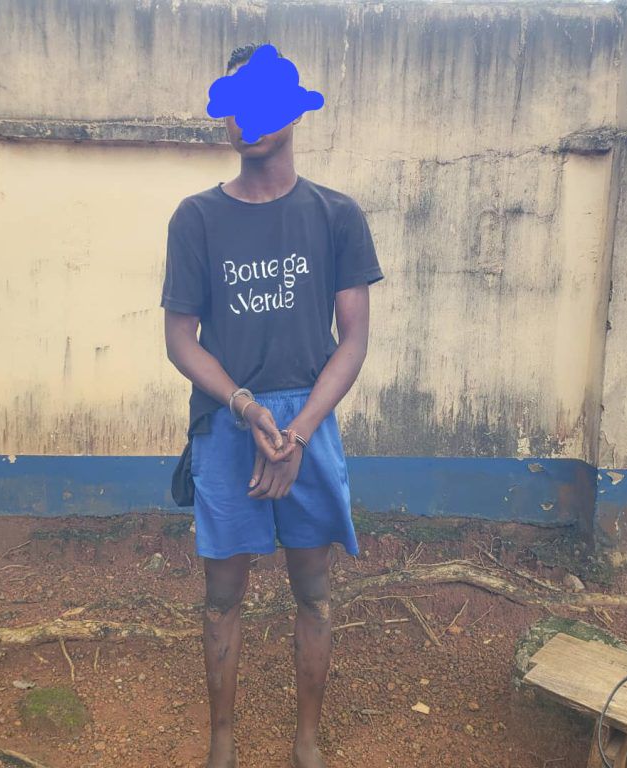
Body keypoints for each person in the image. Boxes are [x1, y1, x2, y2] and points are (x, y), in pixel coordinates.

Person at [161, 41, 384, 768]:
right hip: (229, 423)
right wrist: (248, 409)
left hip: (308, 423)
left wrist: (299, 431)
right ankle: (222, 741)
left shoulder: (336, 215)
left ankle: (306, 740)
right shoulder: (196, 219)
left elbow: (353, 340)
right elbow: (181, 340)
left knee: (313, 592)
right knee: (222, 596)